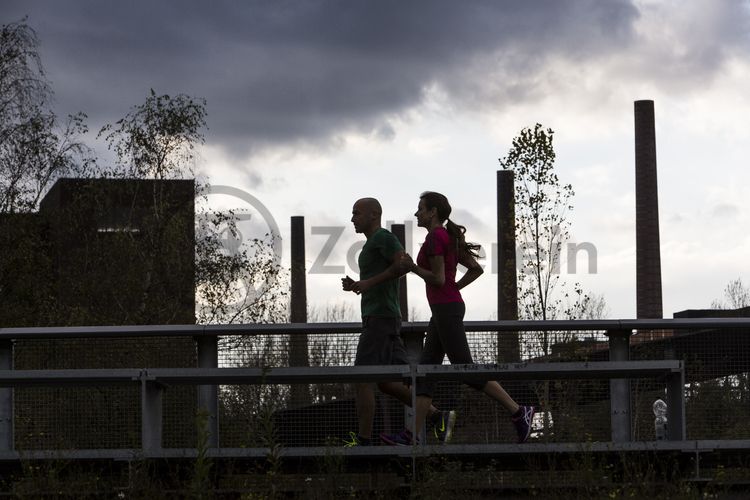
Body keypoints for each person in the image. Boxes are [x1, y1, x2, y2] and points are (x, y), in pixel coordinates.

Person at [380, 191, 534, 446]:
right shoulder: (446, 236)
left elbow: (439, 279)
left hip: (446, 309)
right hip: (445, 308)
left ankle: (519, 412)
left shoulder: (435, 237)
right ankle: (410, 436)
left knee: (466, 369)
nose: (417, 213)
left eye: (420, 208)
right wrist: (454, 289)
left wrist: (413, 268)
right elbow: (475, 269)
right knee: (427, 374)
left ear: (433, 212)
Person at [341, 197, 456, 446]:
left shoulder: (383, 238)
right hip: (383, 317)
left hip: (381, 319)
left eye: (356, 213)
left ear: (374, 214)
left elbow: (402, 265)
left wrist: (367, 283)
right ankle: (437, 416)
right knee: (388, 383)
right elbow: (380, 278)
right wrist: (357, 286)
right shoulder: (371, 243)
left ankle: (364, 441)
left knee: (361, 378)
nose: (352, 219)